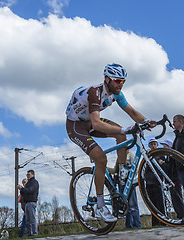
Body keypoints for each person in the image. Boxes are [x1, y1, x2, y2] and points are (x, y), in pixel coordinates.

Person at [66, 63, 153, 222]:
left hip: (91, 122)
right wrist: (125, 130)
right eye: (118, 81)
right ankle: (100, 206)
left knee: (121, 136)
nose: (121, 84)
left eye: (123, 82)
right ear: (107, 79)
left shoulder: (117, 94)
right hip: (76, 126)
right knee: (101, 158)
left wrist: (147, 121)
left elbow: (132, 112)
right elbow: (97, 124)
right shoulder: (95, 92)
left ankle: (121, 175)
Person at [108, 150, 142, 228]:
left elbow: (135, 168)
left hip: (129, 182)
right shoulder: (119, 157)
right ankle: (129, 226)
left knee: (133, 205)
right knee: (125, 206)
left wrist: (128, 172)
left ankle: (137, 225)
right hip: (121, 183)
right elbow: (115, 170)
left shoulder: (131, 154)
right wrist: (105, 168)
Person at [160, 139, 184, 219]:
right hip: (171, 180)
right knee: (174, 199)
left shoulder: (172, 156)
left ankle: (182, 216)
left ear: (169, 146)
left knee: (177, 198)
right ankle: (180, 216)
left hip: (175, 180)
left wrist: (163, 164)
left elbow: (171, 168)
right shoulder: (168, 156)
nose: (164, 147)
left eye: (165, 146)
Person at [145, 138, 165, 227]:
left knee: (160, 202)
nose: (153, 146)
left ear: (157, 145)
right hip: (149, 182)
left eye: (154, 144)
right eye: (151, 144)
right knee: (152, 202)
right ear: (149, 145)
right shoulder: (147, 155)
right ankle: (155, 222)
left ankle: (164, 221)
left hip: (158, 181)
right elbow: (146, 168)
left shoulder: (160, 154)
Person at [17, 170, 39, 236]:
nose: (27, 176)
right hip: (27, 203)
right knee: (28, 221)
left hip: (31, 202)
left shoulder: (34, 182)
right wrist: (21, 189)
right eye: (27, 175)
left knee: (32, 219)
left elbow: (30, 190)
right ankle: (30, 234)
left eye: (29, 174)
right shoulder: (28, 183)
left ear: (33, 175)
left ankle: (34, 233)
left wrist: (22, 188)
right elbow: (24, 193)